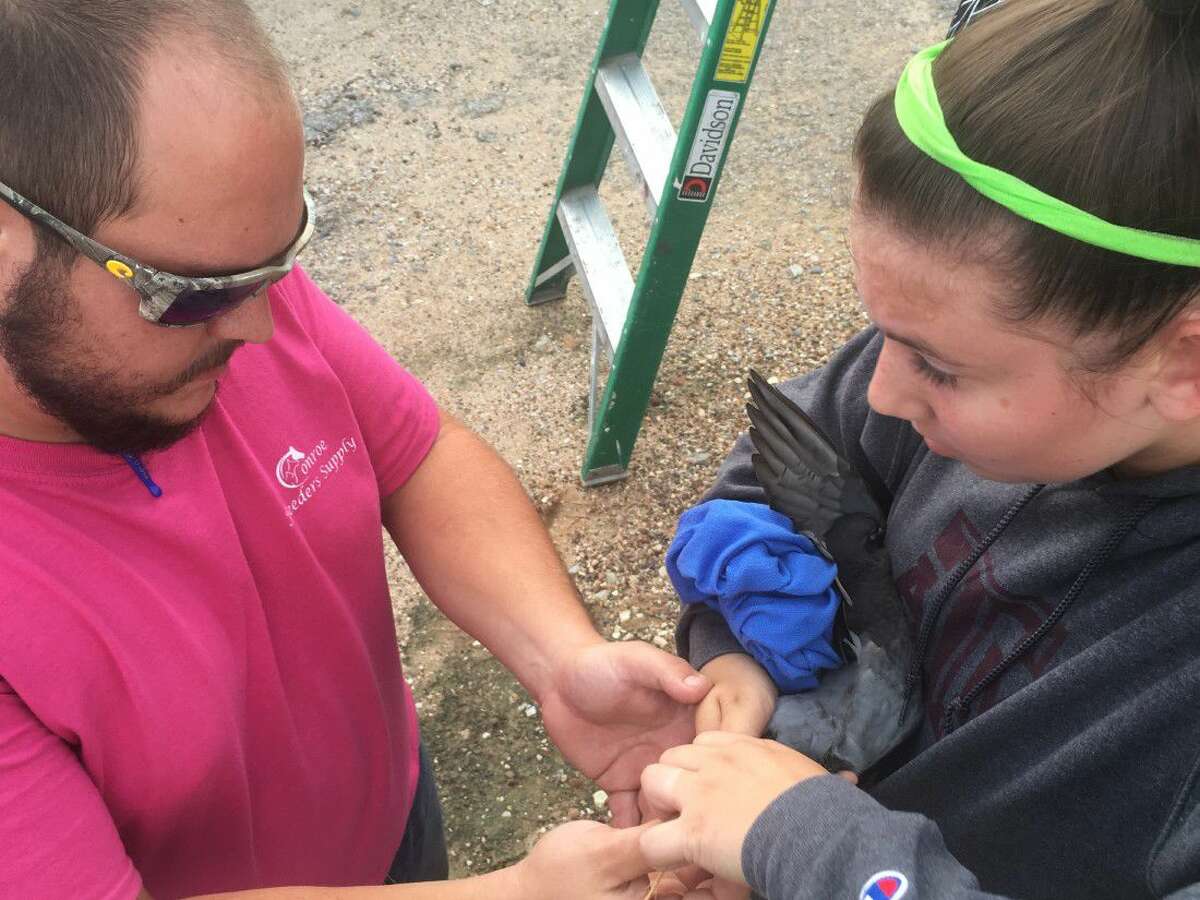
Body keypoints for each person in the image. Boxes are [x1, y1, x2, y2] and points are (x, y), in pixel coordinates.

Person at [0, 2, 712, 898]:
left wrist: (560, 660)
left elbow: (415, 453)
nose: (259, 324)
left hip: (394, 817)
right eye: (190, 295)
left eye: (278, 259)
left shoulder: (214, 282)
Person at [641, 0, 1200, 897]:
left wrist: (815, 850)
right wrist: (737, 657)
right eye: (879, 333)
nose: (882, 394)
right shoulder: (951, 386)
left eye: (938, 366)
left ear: (1185, 361)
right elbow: (786, 466)